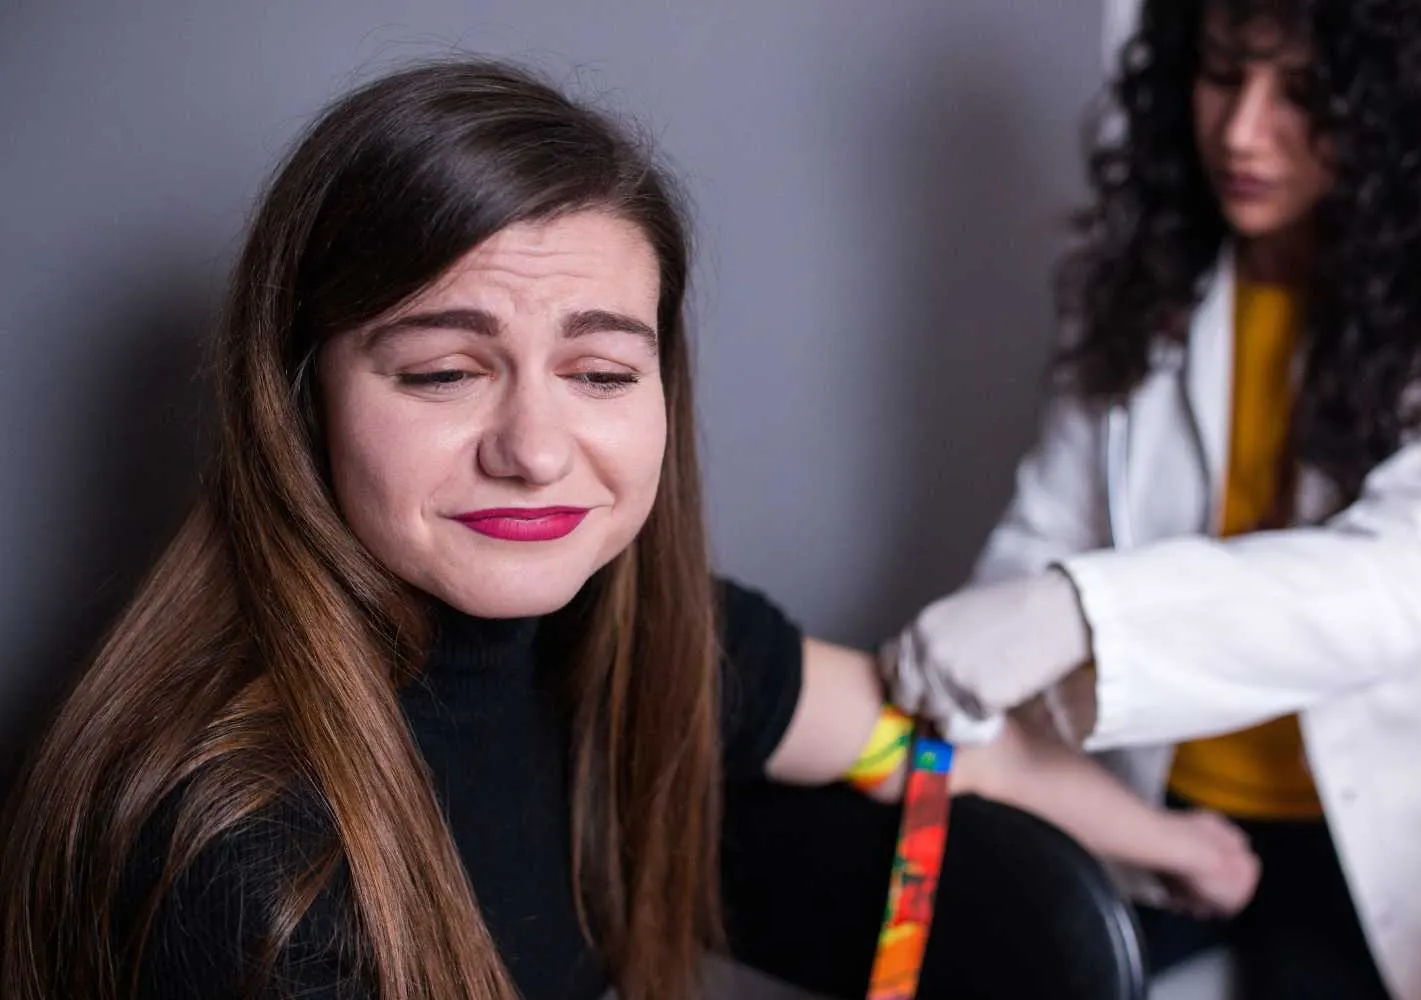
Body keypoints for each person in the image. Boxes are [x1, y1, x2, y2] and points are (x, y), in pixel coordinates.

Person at [0, 60, 1257, 1000]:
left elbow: (917, 740)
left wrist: (1168, 844)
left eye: (601, 374)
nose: (537, 448)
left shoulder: (639, 637)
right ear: (295, 397)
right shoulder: (230, 854)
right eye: (443, 372)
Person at [883, 1, 1421, 998]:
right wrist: (992, 691)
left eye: (1303, 93)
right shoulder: (1135, 280)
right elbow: (1048, 524)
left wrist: (1079, 609)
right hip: (1151, 798)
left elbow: (1414, 568)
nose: (1243, 130)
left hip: (1364, 830)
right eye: (1221, 74)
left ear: (1405, 110)